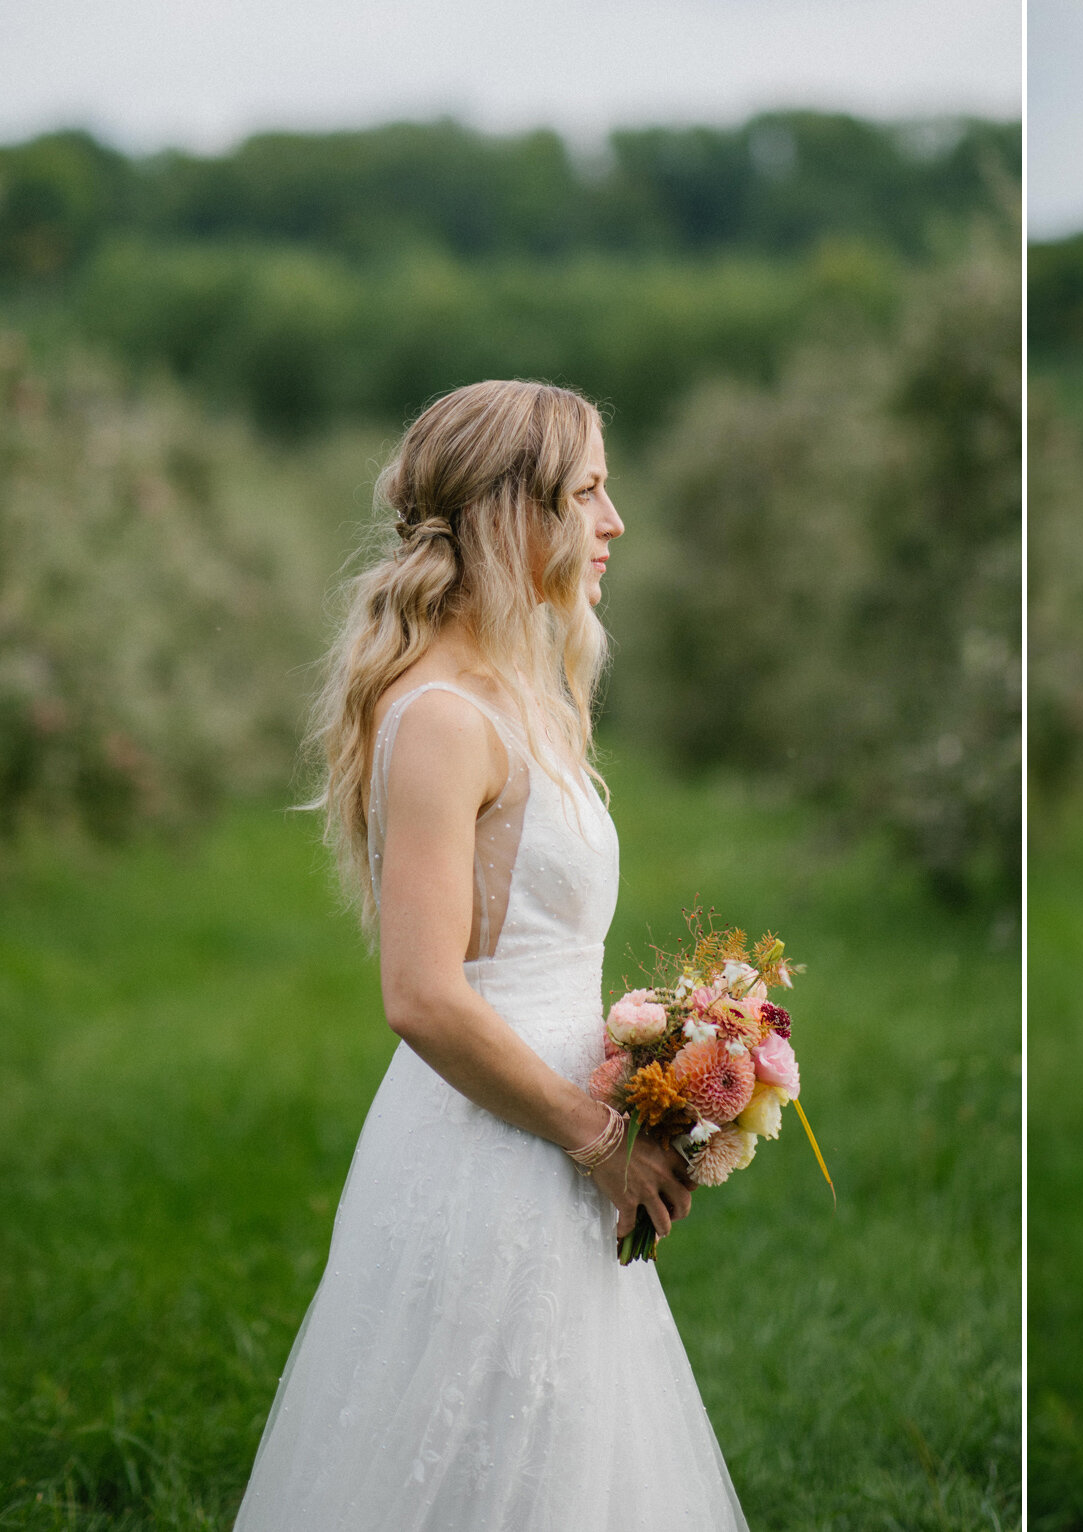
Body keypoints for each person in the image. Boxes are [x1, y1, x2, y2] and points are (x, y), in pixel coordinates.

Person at [236, 381, 747, 1530]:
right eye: (586, 492)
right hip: (494, 1146)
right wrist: (602, 1136)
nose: (614, 521)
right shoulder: (443, 719)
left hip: (554, 1124)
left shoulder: (524, 695)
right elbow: (422, 992)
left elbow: (537, 945)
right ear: (508, 515)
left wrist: (659, 1056)